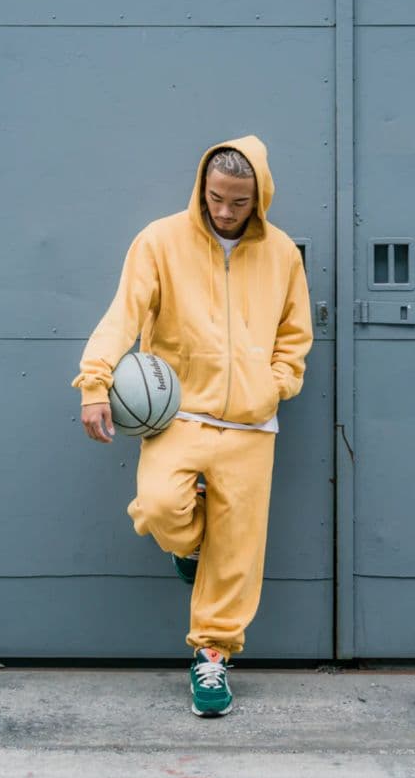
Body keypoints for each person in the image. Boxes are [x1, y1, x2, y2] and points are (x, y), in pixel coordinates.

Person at [71, 134, 313, 717]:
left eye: (239, 201)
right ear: (202, 188)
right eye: (215, 197)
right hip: (179, 416)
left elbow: (294, 335)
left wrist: (275, 384)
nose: (225, 211)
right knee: (160, 507)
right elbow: (122, 316)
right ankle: (187, 548)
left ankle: (213, 654)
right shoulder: (160, 241)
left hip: (252, 426)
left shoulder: (282, 253)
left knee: (238, 549)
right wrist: (94, 382)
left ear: (260, 197)